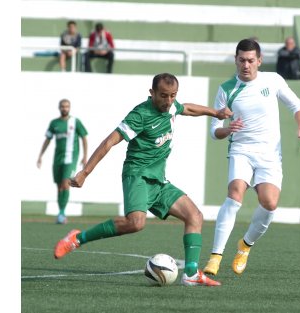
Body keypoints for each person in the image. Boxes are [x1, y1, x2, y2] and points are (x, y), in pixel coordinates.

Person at [53, 73, 233, 286]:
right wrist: (85, 173)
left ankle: (192, 274)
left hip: (158, 179)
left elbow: (189, 109)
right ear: (152, 93)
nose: (168, 102)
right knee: (135, 223)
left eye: (173, 96)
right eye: (163, 96)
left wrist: (216, 112)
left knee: (195, 216)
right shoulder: (140, 115)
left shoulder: (172, 106)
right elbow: (109, 142)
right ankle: (76, 239)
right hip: (136, 175)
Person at [203, 38, 300, 276]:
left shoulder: (273, 80)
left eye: (251, 60)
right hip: (241, 151)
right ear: (235, 60)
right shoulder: (226, 89)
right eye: (241, 60)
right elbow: (214, 130)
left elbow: (297, 105)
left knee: (270, 203)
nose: (246, 65)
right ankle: (215, 257)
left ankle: (245, 245)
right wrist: (226, 130)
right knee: (234, 194)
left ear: (259, 61)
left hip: (270, 154)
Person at [37, 99, 89, 224]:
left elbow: (84, 138)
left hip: (71, 159)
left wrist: (85, 156)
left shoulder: (75, 122)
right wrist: (40, 156)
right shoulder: (54, 123)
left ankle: (62, 213)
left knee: (66, 184)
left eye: (67, 106)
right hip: (58, 159)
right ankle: (60, 212)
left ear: (69, 108)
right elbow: (47, 139)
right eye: (62, 106)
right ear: (59, 107)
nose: (65, 108)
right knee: (59, 187)